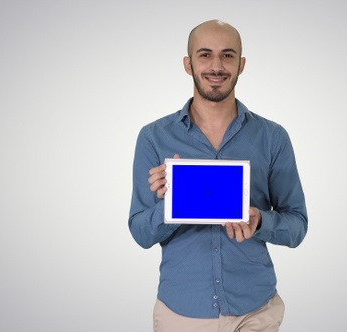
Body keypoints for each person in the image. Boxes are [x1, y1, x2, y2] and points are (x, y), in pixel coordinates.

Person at [128, 19, 308, 332]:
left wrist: (260, 222)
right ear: (188, 64)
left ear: (241, 64)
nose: (216, 66)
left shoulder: (273, 137)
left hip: (255, 309)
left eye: (227, 55)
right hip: (182, 313)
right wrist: (171, 205)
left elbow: (297, 225)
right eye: (205, 54)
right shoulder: (154, 138)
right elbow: (141, 234)